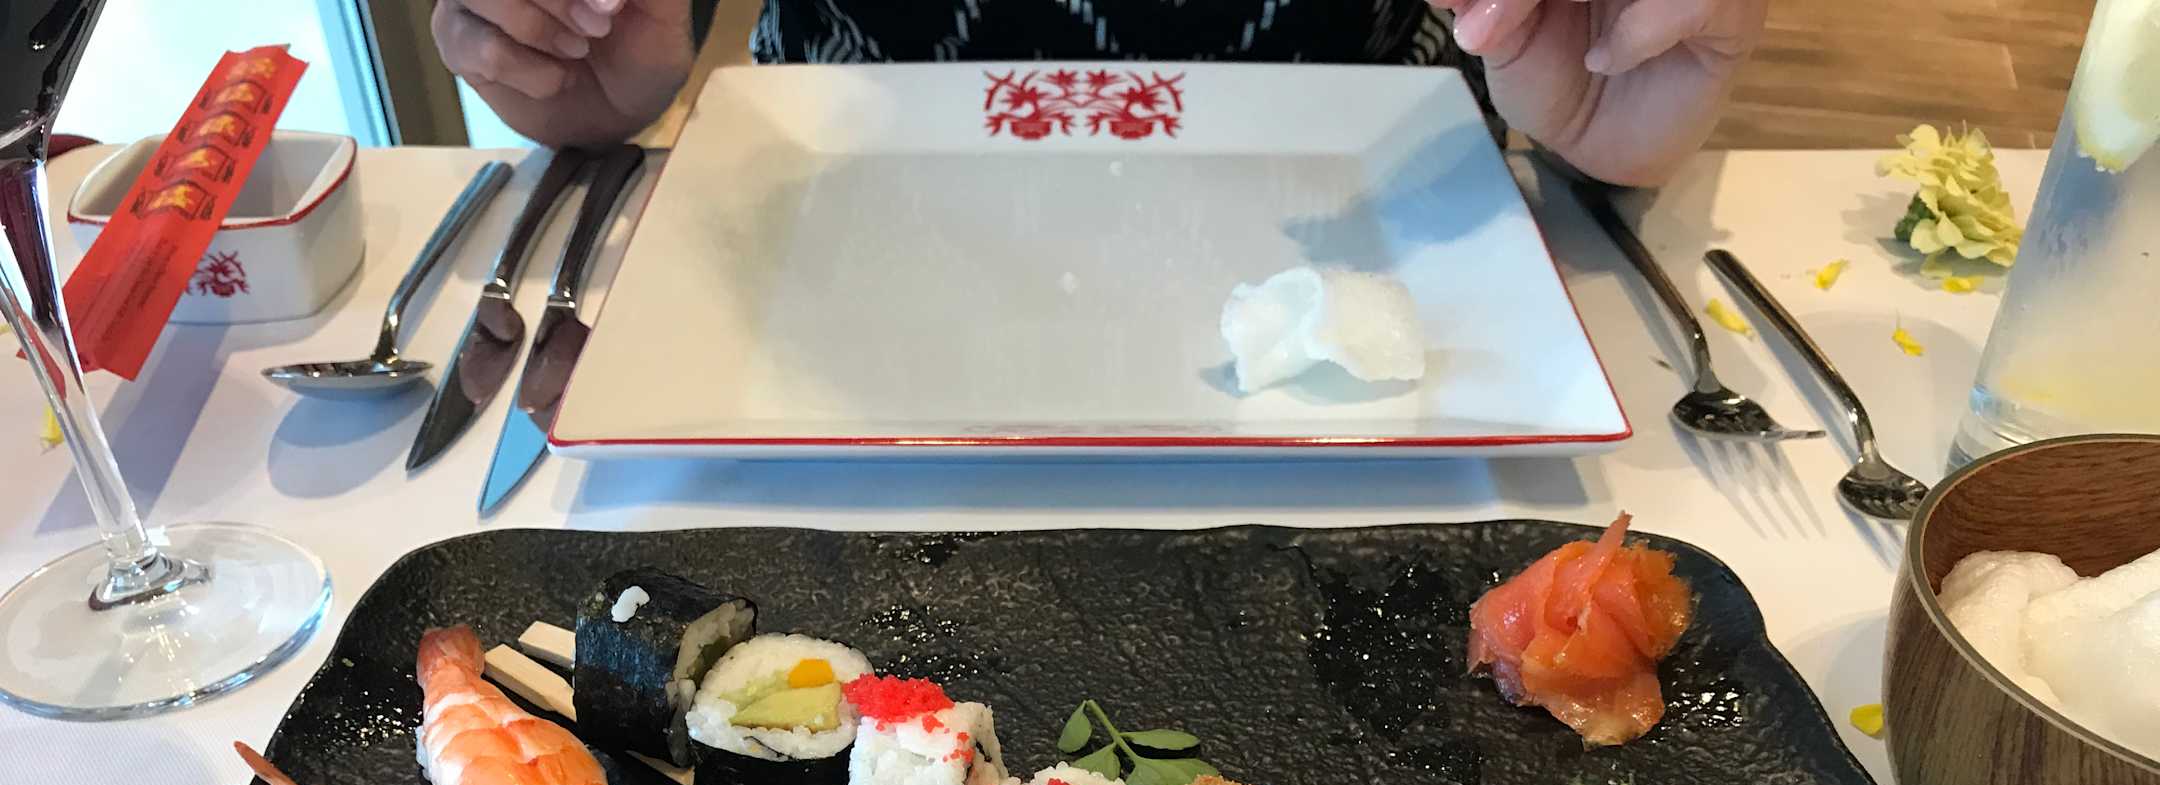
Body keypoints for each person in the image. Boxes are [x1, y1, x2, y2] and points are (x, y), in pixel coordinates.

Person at [432, 0, 1764, 188]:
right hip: (825, 232)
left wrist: (1596, 110)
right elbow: (600, 69)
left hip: (1391, 232)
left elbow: (1584, 59)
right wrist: (567, 65)